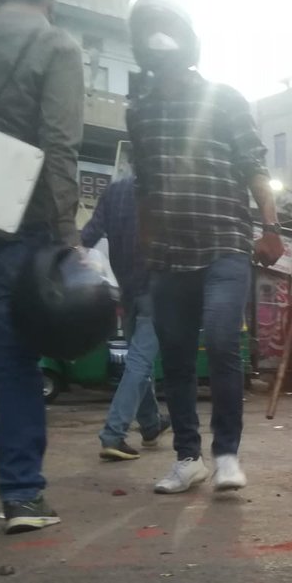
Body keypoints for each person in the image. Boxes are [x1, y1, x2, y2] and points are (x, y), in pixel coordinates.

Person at [127, 0, 283, 494]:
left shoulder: (225, 99)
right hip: (170, 256)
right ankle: (188, 457)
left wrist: (271, 226)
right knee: (173, 355)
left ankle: (228, 454)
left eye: (166, 29)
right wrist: (146, 255)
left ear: (188, 42)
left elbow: (254, 167)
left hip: (225, 244)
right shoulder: (140, 112)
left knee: (220, 342)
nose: (159, 42)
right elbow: (147, 189)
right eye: (148, 31)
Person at [0, 0, 83, 533]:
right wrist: (67, 234)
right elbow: (60, 142)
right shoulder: (55, 42)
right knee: (14, 353)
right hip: (18, 213)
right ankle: (21, 494)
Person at [81, 176, 170, 461]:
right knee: (140, 361)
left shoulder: (114, 190)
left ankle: (151, 425)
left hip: (127, 288)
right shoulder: (165, 185)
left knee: (138, 360)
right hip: (157, 286)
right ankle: (113, 434)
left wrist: (67, 258)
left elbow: (89, 234)